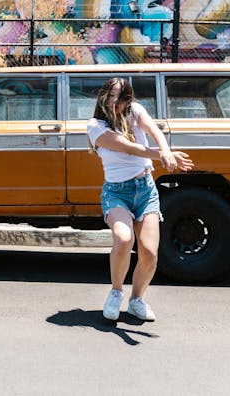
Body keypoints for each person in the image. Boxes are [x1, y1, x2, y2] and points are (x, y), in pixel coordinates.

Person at [86, 77, 194, 321]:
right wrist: (162, 156)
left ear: (128, 100)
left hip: (145, 190)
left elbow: (154, 129)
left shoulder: (135, 111)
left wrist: (166, 150)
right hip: (116, 192)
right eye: (111, 95)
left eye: (121, 98)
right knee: (124, 239)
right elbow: (127, 147)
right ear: (103, 95)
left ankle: (137, 299)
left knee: (149, 252)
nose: (115, 102)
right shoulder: (95, 126)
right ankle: (116, 292)